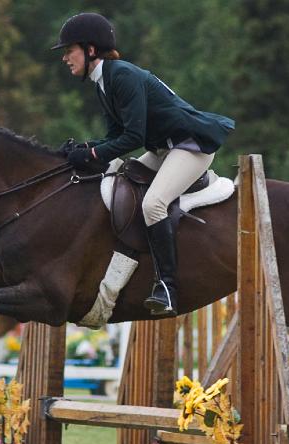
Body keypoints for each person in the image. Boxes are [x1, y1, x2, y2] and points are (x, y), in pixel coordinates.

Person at [52, 13, 235, 317]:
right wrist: (85, 149)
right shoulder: (103, 82)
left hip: (190, 145)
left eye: (68, 51)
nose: (65, 58)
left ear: (90, 50)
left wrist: (94, 156)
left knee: (153, 204)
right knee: (126, 177)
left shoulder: (121, 76)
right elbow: (114, 136)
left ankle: (167, 287)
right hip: (165, 149)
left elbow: (132, 137)